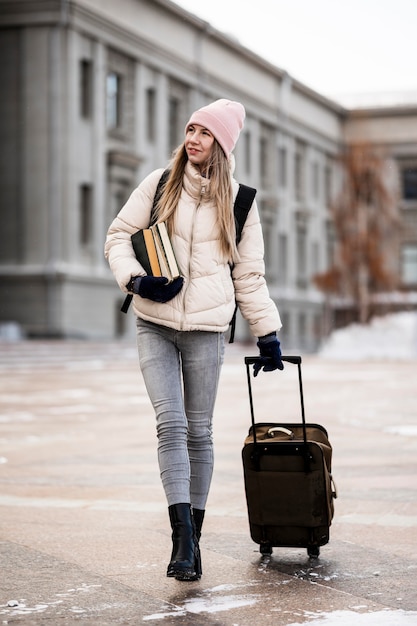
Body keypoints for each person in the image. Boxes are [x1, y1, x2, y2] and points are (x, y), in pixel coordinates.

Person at [105, 98, 283, 581]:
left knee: (199, 431)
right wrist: (136, 281)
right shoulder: (160, 184)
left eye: (205, 132)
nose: (193, 138)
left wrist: (266, 332)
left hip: (206, 331)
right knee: (171, 424)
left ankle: (195, 535)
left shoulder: (241, 202)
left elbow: (249, 275)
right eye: (190, 128)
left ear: (222, 144)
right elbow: (119, 236)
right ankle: (182, 538)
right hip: (153, 322)